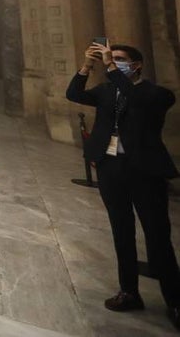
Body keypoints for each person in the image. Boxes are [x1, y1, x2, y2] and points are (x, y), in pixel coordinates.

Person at [67, 41, 180, 328]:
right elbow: (74, 93)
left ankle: (175, 300)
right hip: (111, 168)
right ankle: (129, 291)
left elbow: (137, 100)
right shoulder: (106, 91)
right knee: (121, 231)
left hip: (144, 171)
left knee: (157, 235)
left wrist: (111, 67)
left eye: (119, 59)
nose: (112, 61)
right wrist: (87, 65)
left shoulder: (156, 94)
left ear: (137, 64)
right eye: (111, 57)